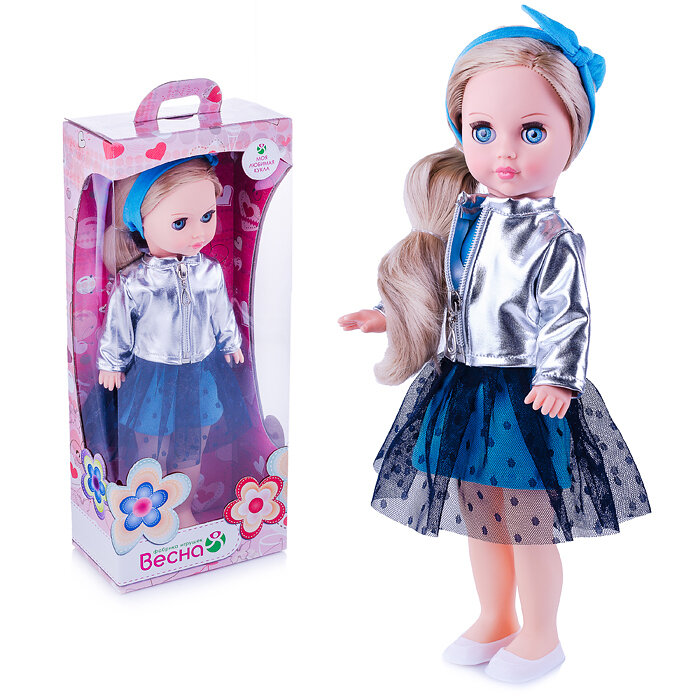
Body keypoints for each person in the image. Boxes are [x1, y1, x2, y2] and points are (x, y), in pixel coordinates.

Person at [339, 5, 650, 683]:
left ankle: (542, 634)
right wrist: (389, 315)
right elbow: (443, 288)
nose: (504, 152)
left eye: (531, 132)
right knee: (481, 514)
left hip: (524, 395)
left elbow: (569, 315)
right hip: (465, 385)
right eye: (482, 131)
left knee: (528, 522)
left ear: (572, 137)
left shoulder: (552, 236)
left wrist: (558, 377)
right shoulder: (465, 218)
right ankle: (495, 616)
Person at [97, 154, 249, 528]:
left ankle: (183, 509)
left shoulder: (209, 272)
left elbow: (220, 312)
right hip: (153, 375)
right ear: (141, 224)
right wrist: (111, 362)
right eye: (180, 223)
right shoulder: (137, 281)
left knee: (191, 449)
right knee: (152, 450)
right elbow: (118, 325)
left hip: (200, 372)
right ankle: (149, 513)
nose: (198, 232)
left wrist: (230, 341)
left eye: (207, 216)